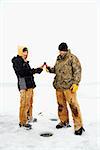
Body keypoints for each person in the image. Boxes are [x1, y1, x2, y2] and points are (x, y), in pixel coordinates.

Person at [46, 42, 85, 135]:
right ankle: (64, 122)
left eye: (63, 50)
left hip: (69, 87)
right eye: (60, 51)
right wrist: (50, 69)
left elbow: (78, 71)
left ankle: (78, 126)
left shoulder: (72, 58)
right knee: (61, 106)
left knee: (74, 106)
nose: (62, 52)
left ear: (66, 50)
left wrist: (76, 83)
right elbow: (56, 70)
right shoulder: (58, 58)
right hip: (59, 87)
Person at [12, 46, 43, 129]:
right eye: (24, 52)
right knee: (24, 103)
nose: (26, 54)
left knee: (29, 102)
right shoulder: (17, 61)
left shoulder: (25, 61)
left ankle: (29, 117)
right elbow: (22, 73)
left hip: (29, 84)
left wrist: (37, 69)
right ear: (20, 52)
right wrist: (35, 71)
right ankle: (23, 122)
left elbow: (28, 72)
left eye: (26, 52)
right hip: (23, 85)